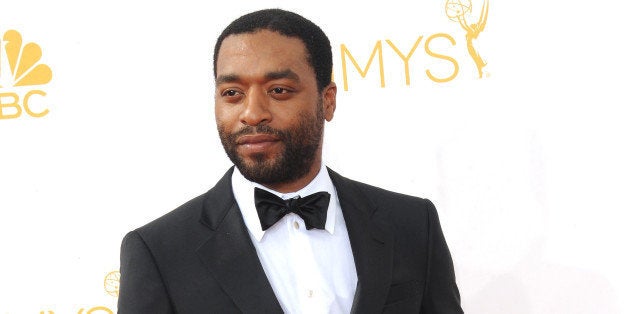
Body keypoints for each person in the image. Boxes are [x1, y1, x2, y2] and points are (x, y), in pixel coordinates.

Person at [118, 8, 463, 314]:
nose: (252, 113)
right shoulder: (160, 253)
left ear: (327, 101)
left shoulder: (412, 225)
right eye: (232, 94)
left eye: (278, 90)